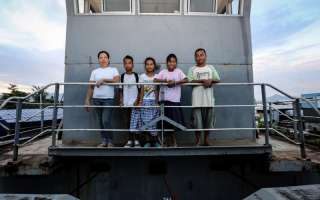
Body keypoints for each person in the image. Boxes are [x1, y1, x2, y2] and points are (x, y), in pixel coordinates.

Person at [85, 50, 120, 147]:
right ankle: (104, 140)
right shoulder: (95, 72)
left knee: (106, 120)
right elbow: (91, 87)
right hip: (96, 99)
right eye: (101, 57)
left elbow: (117, 81)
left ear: (108, 59)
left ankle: (111, 141)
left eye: (105, 57)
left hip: (109, 99)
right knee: (100, 121)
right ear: (98, 60)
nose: (103, 59)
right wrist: (87, 100)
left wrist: (103, 80)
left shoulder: (113, 70)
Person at [187, 48, 220, 146]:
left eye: (201, 55)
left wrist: (210, 81)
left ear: (205, 56)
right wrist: (203, 81)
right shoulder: (192, 69)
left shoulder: (211, 68)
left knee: (208, 122)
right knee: (197, 122)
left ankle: (206, 140)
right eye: (197, 55)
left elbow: (217, 79)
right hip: (197, 100)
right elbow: (189, 81)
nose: (199, 57)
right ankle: (198, 140)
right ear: (195, 58)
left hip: (208, 100)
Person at [154, 54, 188, 147]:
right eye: (170, 61)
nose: (171, 63)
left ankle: (172, 140)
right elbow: (155, 80)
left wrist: (175, 82)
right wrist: (164, 82)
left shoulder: (178, 71)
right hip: (164, 101)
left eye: (173, 61)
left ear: (176, 63)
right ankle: (166, 141)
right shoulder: (163, 72)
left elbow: (186, 80)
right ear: (167, 62)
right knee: (165, 123)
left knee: (173, 123)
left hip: (175, 101)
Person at [134, 57, 160, 147]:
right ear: (145, 66)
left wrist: (156, 102)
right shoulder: (142, 76)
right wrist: (140, 101)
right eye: (147, 64)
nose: (149, 66)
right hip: (145, 101)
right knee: (145, 122)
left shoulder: (157, 77)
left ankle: (155, 141)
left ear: (154, 65)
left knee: (154, 122)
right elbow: (141, 90)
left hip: (153, 102)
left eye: (151, 64)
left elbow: (157, 90)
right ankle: (148, 141)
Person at [119, 55, 141, 147]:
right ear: (124, 65)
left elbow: (140, 90)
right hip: (126, 103)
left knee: (135, 122)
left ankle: (136, 140)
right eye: (126, 63)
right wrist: (120, 100)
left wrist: (138, 100)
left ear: (132, 64)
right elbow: (120, 89)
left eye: (129, 63)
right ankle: (129, 140)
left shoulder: (136, 76)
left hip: (134, 103)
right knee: (127, 122)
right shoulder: (122, 76)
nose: (128, 65)